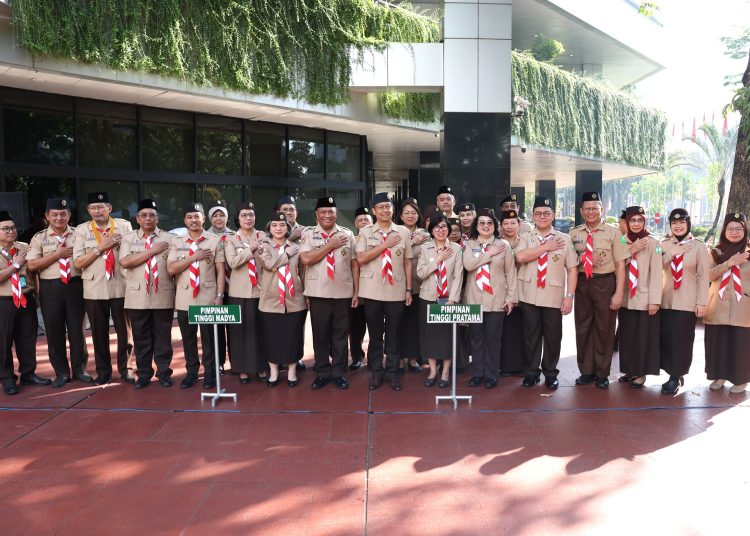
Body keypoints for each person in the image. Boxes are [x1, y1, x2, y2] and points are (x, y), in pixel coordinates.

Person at [515, 196, 578, 389]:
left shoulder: (564, 239)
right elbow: (520, 256)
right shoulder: (526, 237)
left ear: (553, 216)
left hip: (552, 295)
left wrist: (570, 296)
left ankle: (550, 373)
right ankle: (532, 372)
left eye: (546, 213)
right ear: (533, 216)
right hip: (529, 293)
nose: (542, 217)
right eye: (538, 213)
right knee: (530, 335)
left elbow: (572, 269)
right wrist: (545, 247)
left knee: (552, 336)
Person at [73, 192, 134, 385]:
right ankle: (104, 371)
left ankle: (127, 368)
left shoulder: (123, 226)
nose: (97, 211)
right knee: (99, 333)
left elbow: (131, 254)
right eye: (92, 208)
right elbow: (78, 262)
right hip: (94, 287)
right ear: (88, 210)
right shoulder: (82, 230)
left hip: (120, 284)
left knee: (125, 332)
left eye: (101, 207)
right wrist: (100, 248)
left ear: (109, 208)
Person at [27, 198, 89, 387]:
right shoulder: (39, 237)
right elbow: (32, 265)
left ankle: (80, 370)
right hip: (50, 288)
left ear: (69, 215)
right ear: (47, 216)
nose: (59, 218)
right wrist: (57, 255)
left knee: (77, 330)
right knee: (54, 332)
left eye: (63, 213)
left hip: (76, 286)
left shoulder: (80, 234)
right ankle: (62, 372)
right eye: (54, 214)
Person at [569, 192, 628, 389]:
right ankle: (586, 371)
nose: (591, 212)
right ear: (581, 211)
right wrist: (585, 258)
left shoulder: (615, 233)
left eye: (595, 208)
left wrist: (619, 292)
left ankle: (602, 373)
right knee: (583, 327)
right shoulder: (574, 233)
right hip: (583, 283)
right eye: (587, 208)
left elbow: (620, 265)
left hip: (605, 282)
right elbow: (569, 263)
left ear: (602, 210)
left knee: (605, 328)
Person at [355, 192, 413, 391]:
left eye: (388, 207)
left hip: (396, 290)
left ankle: (392, 373)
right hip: (371, 291)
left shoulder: (403, 232)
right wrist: (384, 245)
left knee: (394, 335)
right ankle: (377, 373)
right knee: (375, 335)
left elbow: (407, 262)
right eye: (381, 207)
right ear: (374, 211)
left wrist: (408, 289)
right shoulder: (365, 232)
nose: (385, 210)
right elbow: (361, 258)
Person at [300, 197, 358, 390]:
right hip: (318, 293)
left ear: (336, 213)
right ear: (316, 214)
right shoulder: (308, 234)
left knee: (341, 335)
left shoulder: (348, 234)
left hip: (343, 292)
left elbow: (354, 264)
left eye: (331, 211)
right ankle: (323, 372)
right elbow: (306, 259)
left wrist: (356, 292)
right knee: (320, 335)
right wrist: (330, 245)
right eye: (323, 212)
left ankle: (339, 372)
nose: (327, 215)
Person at [119, 199, 178, 389]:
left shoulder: (170, 239)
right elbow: (125, 262)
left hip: (163, 293)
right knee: (141, 337)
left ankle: (164, 373)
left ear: (157, 218)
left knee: (163, 336)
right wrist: (152, 251)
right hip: (138, 296)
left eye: (152, 215)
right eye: (143, 215)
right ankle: (143, 374)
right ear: (137, 218)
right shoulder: (129, 238)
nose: (148, 218)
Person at [167, 203, 226, 389]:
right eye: (190, 217)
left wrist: (219, 295)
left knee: (209, 339)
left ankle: (210, 373)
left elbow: (220, 271)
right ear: (185, 220)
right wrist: (193, 257)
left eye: (197, 216)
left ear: (203, 219)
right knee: (188, 338)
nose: (194, 220)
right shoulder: (177, 242)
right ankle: (192, 372)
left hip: (207, 296)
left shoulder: (214, 240)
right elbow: (171, 269)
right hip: (185, 298)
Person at [463, 208, 516, 388]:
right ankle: (478, 373)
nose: (486, 226)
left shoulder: (504, 246)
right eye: (482, 223)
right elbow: (469, 265)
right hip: (474, 299)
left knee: (493, 338)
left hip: (496, 299)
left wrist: (511, 298)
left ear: (495, 226)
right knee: (476, 338)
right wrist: (489, 253)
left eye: (489, 223)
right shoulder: (469, 245)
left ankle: (491, 374)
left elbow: (511, 273)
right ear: (476, 226)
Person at [659, 208, 709, 394]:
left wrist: (702, 302)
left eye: (681, 223)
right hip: (666, 299)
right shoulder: (663, 244)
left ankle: (675, 377)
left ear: (688, 224)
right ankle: (672, 373)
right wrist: (672, 252)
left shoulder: (699, 246)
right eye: (674, 223)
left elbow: (703, 276)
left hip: (688, 301)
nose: (678, 226)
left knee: (682, 340)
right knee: (667, 339)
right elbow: (655, 267)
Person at [0, 211, 50, 395]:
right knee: (4, 341)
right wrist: (14, 265)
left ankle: (28, 373)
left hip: (26, 298)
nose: (10, 231)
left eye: (12, 228)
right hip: (4, 301)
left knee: (28, 338)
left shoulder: (24, 247)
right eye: (5, 228)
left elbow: (32, 274)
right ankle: (7, 378)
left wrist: (36, 295)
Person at [258, 212, 306, 387]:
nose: (278, 228)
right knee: (272, 338)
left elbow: (302, 272)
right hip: (271, 301)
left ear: (288, 228)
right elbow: (269, 265)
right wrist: (286, 254)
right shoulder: (264, 247)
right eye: (274, 225)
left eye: (282, 225)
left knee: (293, 337)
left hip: (294, 300)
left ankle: (292, 372)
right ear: (269, 229)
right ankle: (274, 372)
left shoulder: (297, 247)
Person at [704, 212, 750, 394]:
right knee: (718, 341)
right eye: (730, 228)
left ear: (745, 230)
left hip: (743, 305)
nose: (734, 232)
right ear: (724, 230)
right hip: (718, 304)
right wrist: (729, 263)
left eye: (739, 228)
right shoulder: (716, 252)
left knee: (741, 343)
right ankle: (719, 375)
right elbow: (709, 275)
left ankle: (741, 379)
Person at [617, 206, 662, 389]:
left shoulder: (653, 242)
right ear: (627, 222)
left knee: (643, 336)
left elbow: (657, 273)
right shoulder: (621, 241)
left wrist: (655, 300)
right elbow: (615, 266)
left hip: (644, 297)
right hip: (626, 297)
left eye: (640, 220)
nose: (636, 224)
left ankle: (641, 373)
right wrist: (630, 250)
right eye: (633, 220)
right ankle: (629, 370)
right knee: (627, 336)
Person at [417, 214, 464, 387]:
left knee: (447, 337)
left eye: (444, 227)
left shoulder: (457, 248)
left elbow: (458, 276)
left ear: (449, 229)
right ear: (431, 230)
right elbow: (421, 273)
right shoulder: (425, 248)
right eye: (437, 227)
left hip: (448, 299)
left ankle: (445, 372)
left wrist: (453, 300)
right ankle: (432, 371)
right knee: (430, 336)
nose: (441, 230)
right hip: (428, 298)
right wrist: (438, 259)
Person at [223, 202, 266, 384]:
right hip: (238, 292)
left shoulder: (264, 236)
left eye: (251, 214)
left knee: (261, 331)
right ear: (237, 219)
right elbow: (232, 262)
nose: (248, 218)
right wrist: (251, 249)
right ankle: (242, 369)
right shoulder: (230, 239)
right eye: (244, 215)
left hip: (261, 291)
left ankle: (262, 366)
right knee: (239, 332)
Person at [396, 198, 430, 373]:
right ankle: (399, 358)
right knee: (397, 323)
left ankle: (412, 358)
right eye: (406, 213)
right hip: (397, 285)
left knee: (414, 324)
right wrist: (412, 242)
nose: (410, 216)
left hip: (419, 285)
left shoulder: (426, 234)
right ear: (400, 215)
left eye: (414, 213)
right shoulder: (395, 232)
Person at [275, 195, 307, 371]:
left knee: (297, 325)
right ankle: (279, 356)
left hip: (298, 283)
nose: (288, 213)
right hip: (277, 285)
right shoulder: (270, 231)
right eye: (284, 210)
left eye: (291, 209)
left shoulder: (307, 231)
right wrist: (291, 237)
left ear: (296, 213)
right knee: (279, 324)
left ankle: (296, 357)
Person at [207, 200, 234, 373]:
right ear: (209, 218)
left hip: (233, 288)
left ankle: (236, 360)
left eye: (221, 215)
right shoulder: (204, 237)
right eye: (215, 215)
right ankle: (218, 362)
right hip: (213, 288)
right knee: (214, 329)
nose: (218, 218)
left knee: (234, 328)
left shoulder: (235, 235)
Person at [499, 209, 527, 376]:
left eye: (513, 223)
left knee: (525, 329)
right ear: (501, 226)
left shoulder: (527, 241)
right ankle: (506, 366)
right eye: (506, 223)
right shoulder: (497, 243)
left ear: (520, 224)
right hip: (505, 292)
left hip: (525, 291)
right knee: (506, 330)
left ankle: (525, 365)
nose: (509, 226)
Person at [349, 206, 372, 370]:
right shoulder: (351, 241)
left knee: (376, 327)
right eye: (360, 220)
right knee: (355, 328)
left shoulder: (378, 239)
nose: (363, 222)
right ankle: (357, 357)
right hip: (355, 290)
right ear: (355, 223)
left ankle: (374, 357)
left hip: (374, 290)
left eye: (367, 219)